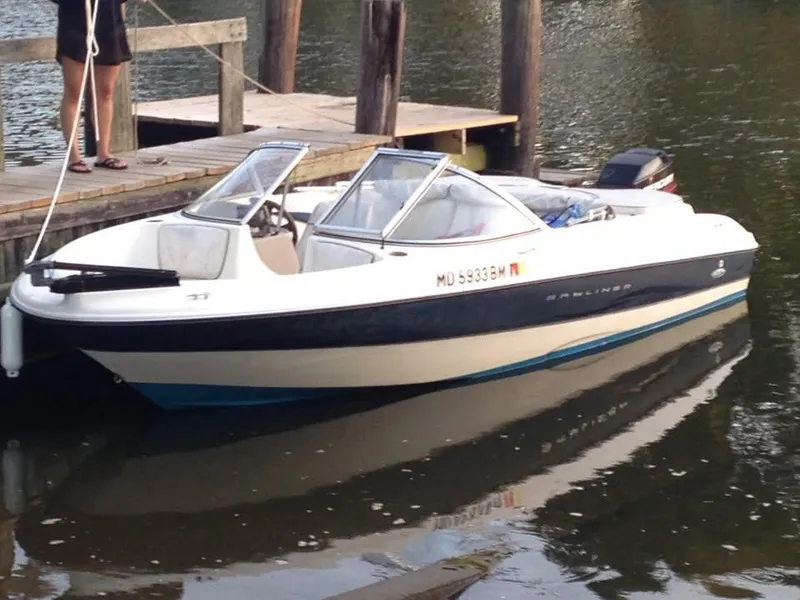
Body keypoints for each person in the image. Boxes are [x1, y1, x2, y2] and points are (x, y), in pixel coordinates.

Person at [54, 0, 133, 173]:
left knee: (106, 92)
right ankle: (74, 157)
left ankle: (104, 153)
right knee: (74, 92)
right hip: (75, 25)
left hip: (110, 26)